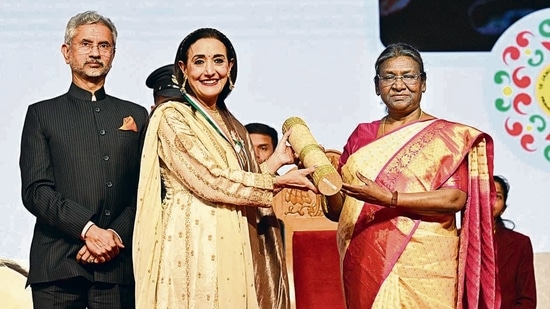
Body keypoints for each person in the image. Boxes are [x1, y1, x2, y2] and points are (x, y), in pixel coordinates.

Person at [132, 28, 317, 309]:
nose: (210, 71)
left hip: (235, 237)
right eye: (199, 61)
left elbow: (234, 181)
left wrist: (274, 164)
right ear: (183, 68)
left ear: (230, 67)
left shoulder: (233, 125)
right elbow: (208, 179)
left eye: (218, 61)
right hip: (192, 243)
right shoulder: (172, 116)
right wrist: (276, 183)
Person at [322, 42, 499, 308]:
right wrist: (325, 183)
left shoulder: (446, 137)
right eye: (389, 77)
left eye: (408, 76)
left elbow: (454, 199)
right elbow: (339, 210)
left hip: (428, 263)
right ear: (376, 86)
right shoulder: (362, 135)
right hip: (367, 259)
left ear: (423, 83)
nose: (399, 84)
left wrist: (390, 198)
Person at [19, 10, 149, 308]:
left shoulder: (136, 115)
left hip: (117, 268)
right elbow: (36, 190)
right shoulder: (42, 114)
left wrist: (112, 236)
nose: (95, 53)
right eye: (86, 44)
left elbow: (145, 190)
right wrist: (88, 231)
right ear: (67, 52)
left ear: (113, 54)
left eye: (104, 46)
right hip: (57, 265)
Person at [493, 175, 537, 308]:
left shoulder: (520, 244)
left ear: (503, 209)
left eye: (498, 196)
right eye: (486, 193)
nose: (491, 200)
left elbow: (527, 300)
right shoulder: (459, 239)